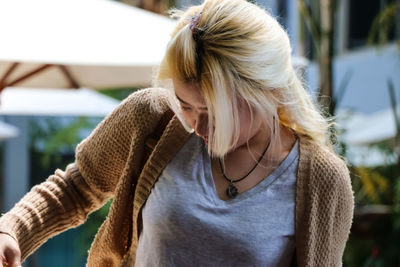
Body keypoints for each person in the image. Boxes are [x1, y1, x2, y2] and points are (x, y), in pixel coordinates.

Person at [0, 0, 354, 266]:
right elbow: (74, 189)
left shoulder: (321, 181)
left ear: (269, 92)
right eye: (186, 105)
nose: (197, 126)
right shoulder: (152, 117)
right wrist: (12, 229)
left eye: (214, 114)